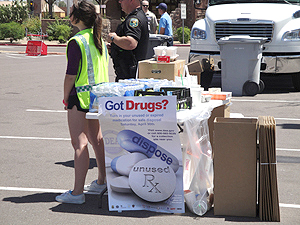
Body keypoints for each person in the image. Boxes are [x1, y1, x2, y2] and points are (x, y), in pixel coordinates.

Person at [55, 0, 108, 204]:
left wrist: (66, 96)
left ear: (77, 18)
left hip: (80, 96)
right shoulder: (98, 39)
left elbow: (70, 75)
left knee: (79, 143)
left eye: (72, 13)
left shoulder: (77, 41)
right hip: (98, 96)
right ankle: (102, 180)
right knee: (97, 139)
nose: (69, 15)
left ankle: (77, 193)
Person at [107, 0, 149, 82]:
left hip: (128, 76)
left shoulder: (134, 19)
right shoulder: (138, 15)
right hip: (128, 73)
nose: (119, 2)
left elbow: (131, 43)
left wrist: (113, 38)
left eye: (122, 0)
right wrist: (114, 46)